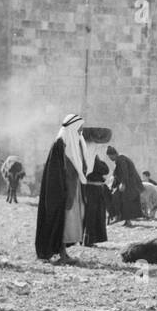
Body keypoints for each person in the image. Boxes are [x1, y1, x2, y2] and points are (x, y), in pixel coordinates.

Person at [35, 113, 94, 264]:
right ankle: (61, 253)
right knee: (61, 221)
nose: (81, 132)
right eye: (79, 128)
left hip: (71, 189)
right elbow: (57, 173)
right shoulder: (60, 144)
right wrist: (63, 190)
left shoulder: (71, 142)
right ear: (73, 128)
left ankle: (63, 252)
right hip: (62, 191)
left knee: (68, 222)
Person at [105, 147, 145, 226]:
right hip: (129, 183)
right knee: (123, 201)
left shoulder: (121, 159)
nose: (110, 159)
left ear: (113, 154)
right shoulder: (120, 159)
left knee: (124, 201)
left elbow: (124, 171)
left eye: (110, 157)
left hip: (129, 184)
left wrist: (123, 183)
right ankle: (125, 220)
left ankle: (125, 220)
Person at [82, 153, 110, 246]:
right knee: (92, 215)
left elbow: (105, 170)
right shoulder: (91, 159)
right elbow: (105, 169)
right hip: (92, 191)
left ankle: (88, 240)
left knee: (94, 215)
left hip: (93, 190)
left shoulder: (90, 159)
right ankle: (88, 240)